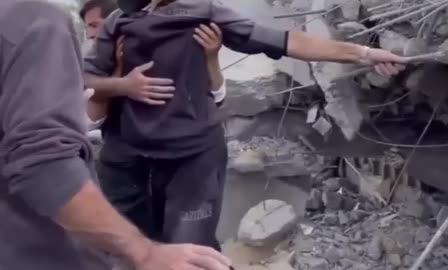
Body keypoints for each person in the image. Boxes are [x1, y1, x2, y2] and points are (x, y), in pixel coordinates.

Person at [84, 0, 407, 251]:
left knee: (188, 250)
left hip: (192, 159)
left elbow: (287, 41)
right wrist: (123, 86)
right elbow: (82, 79)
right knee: (129, 248)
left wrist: (363, 53)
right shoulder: (118, 24)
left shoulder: (204, 14)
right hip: (126, 161)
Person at [0, 1, 232, 270]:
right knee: (134, 243)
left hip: (190, 160)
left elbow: (216, 97)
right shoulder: (65, 43)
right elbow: (87, 119)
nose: (93, 35)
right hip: (123, 166)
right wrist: (121, 83)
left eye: (98, 26)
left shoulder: (178, 44)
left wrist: (211, 58)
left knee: (188, 244)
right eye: (90, 28)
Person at [80, 0, 226, 128]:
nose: (90, 34)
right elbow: (93, 120)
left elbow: (217, 98)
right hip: (125, 148)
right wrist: (119, 79)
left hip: (187, 142)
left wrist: (212, 57)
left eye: (94, 25)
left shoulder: (184, 44)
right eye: (87, 27)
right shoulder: (97, 66)